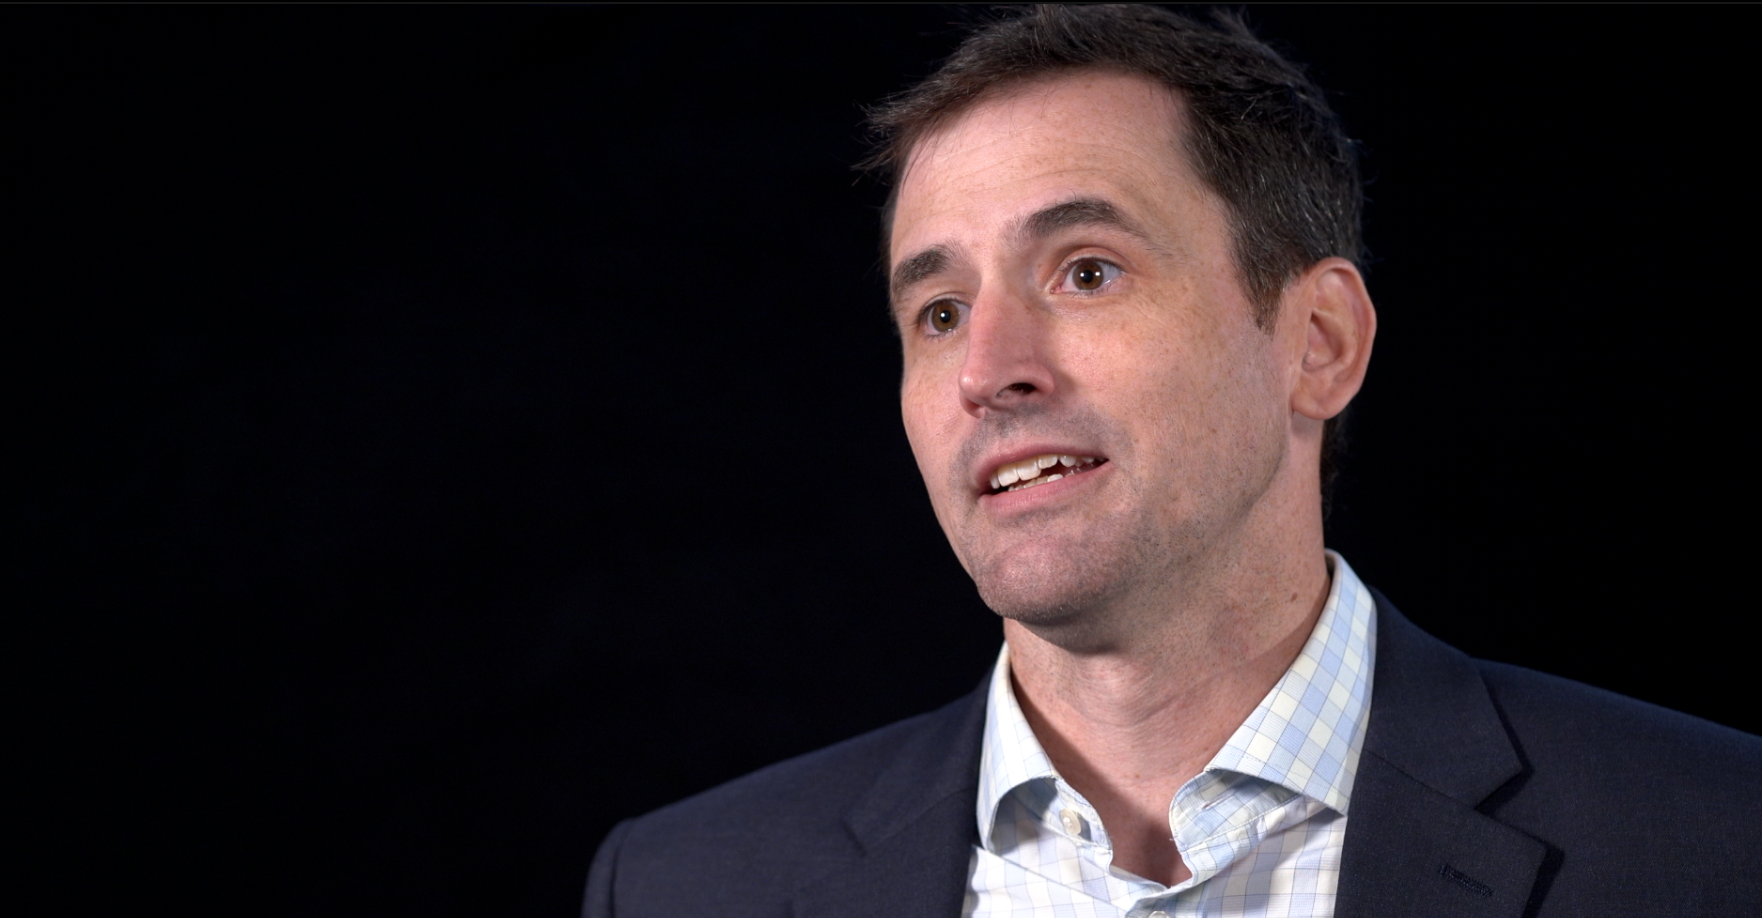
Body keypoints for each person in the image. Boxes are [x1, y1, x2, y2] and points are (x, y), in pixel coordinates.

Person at [583, 7, 1761, 916]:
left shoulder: (1714, 843)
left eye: (1086, 272)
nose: (987, 369)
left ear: (1317, 342)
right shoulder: (686, 887)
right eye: (938, 312)